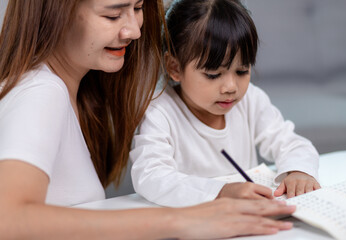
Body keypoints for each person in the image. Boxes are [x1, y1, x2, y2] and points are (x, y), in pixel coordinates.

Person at [0, 0, 296, 239]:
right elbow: (8, 219)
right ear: (57, 13)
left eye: (138, 8)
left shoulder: (69, 91)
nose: (135, 30)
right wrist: (184, 220)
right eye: (114, 14)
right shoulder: (40, 92)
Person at [130, 0, 321, 208]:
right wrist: (219, 192)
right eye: (213, 75)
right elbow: (150, 176)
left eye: (242, 71)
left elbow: (291, 143)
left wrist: (299, 171)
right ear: (174, 67)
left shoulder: (250, 100)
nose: (231, 87)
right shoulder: (160, 112)